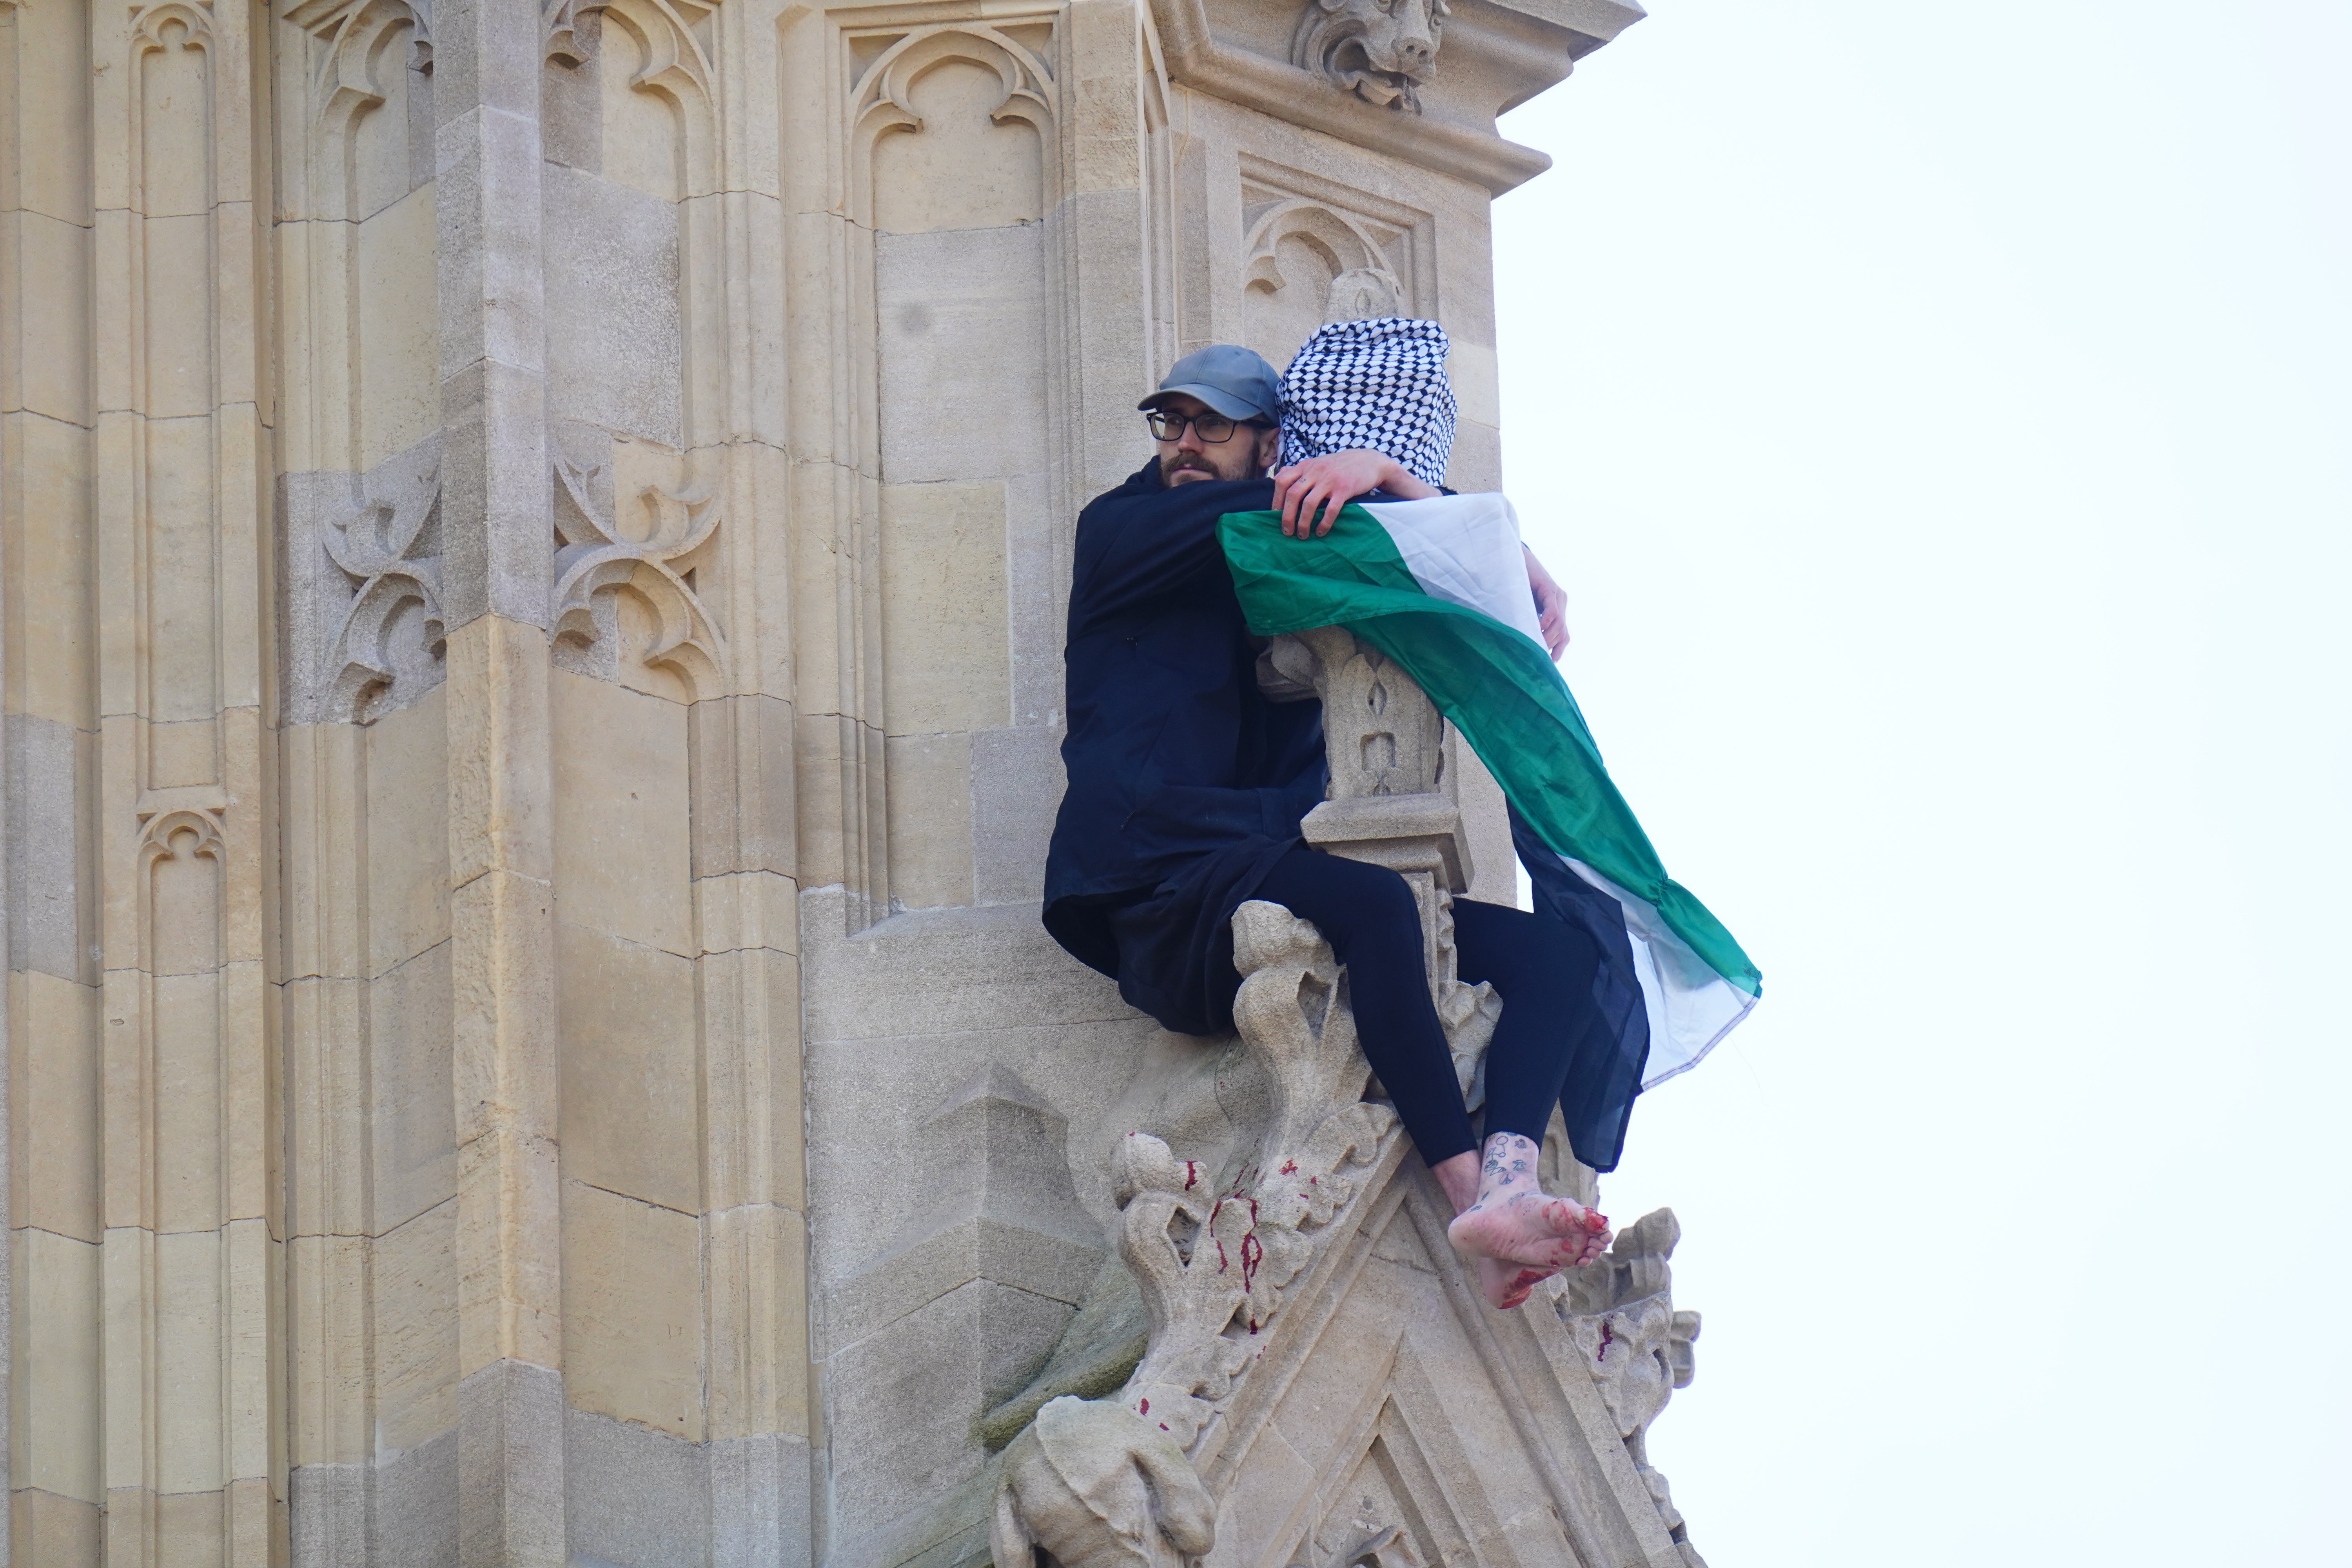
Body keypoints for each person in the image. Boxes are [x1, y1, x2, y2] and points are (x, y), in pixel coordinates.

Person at [1042, 338, 1628, 1310]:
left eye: (1212, 425)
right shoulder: (1127, 526)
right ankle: (1467, 1190)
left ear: (1270, 441)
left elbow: (1391, 552)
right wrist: (1397, 479)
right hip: (1154, 877)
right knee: (1375, 907)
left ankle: (1514, 1176)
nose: (1184, 442)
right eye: (1171, 421)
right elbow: (1369, 530)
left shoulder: (1266, 542)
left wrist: (1434, 507)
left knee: (1558, 959)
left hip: (1251, 851)